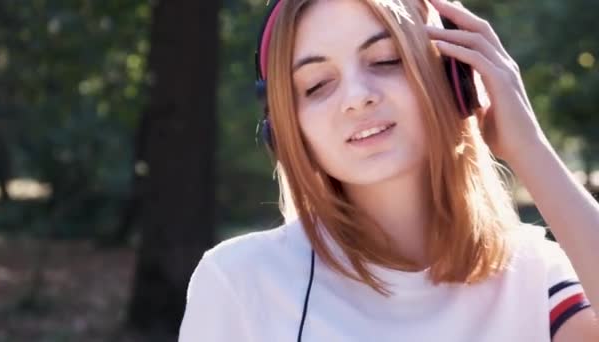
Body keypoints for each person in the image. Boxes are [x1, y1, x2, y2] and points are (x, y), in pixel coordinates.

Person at [178, 0, 599, 341]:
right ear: (287, 131)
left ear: (453, 80)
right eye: (317, 84)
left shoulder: (535, 272)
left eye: (385, 59)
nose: (357, 97)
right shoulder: (239, 284)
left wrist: (529, 148)